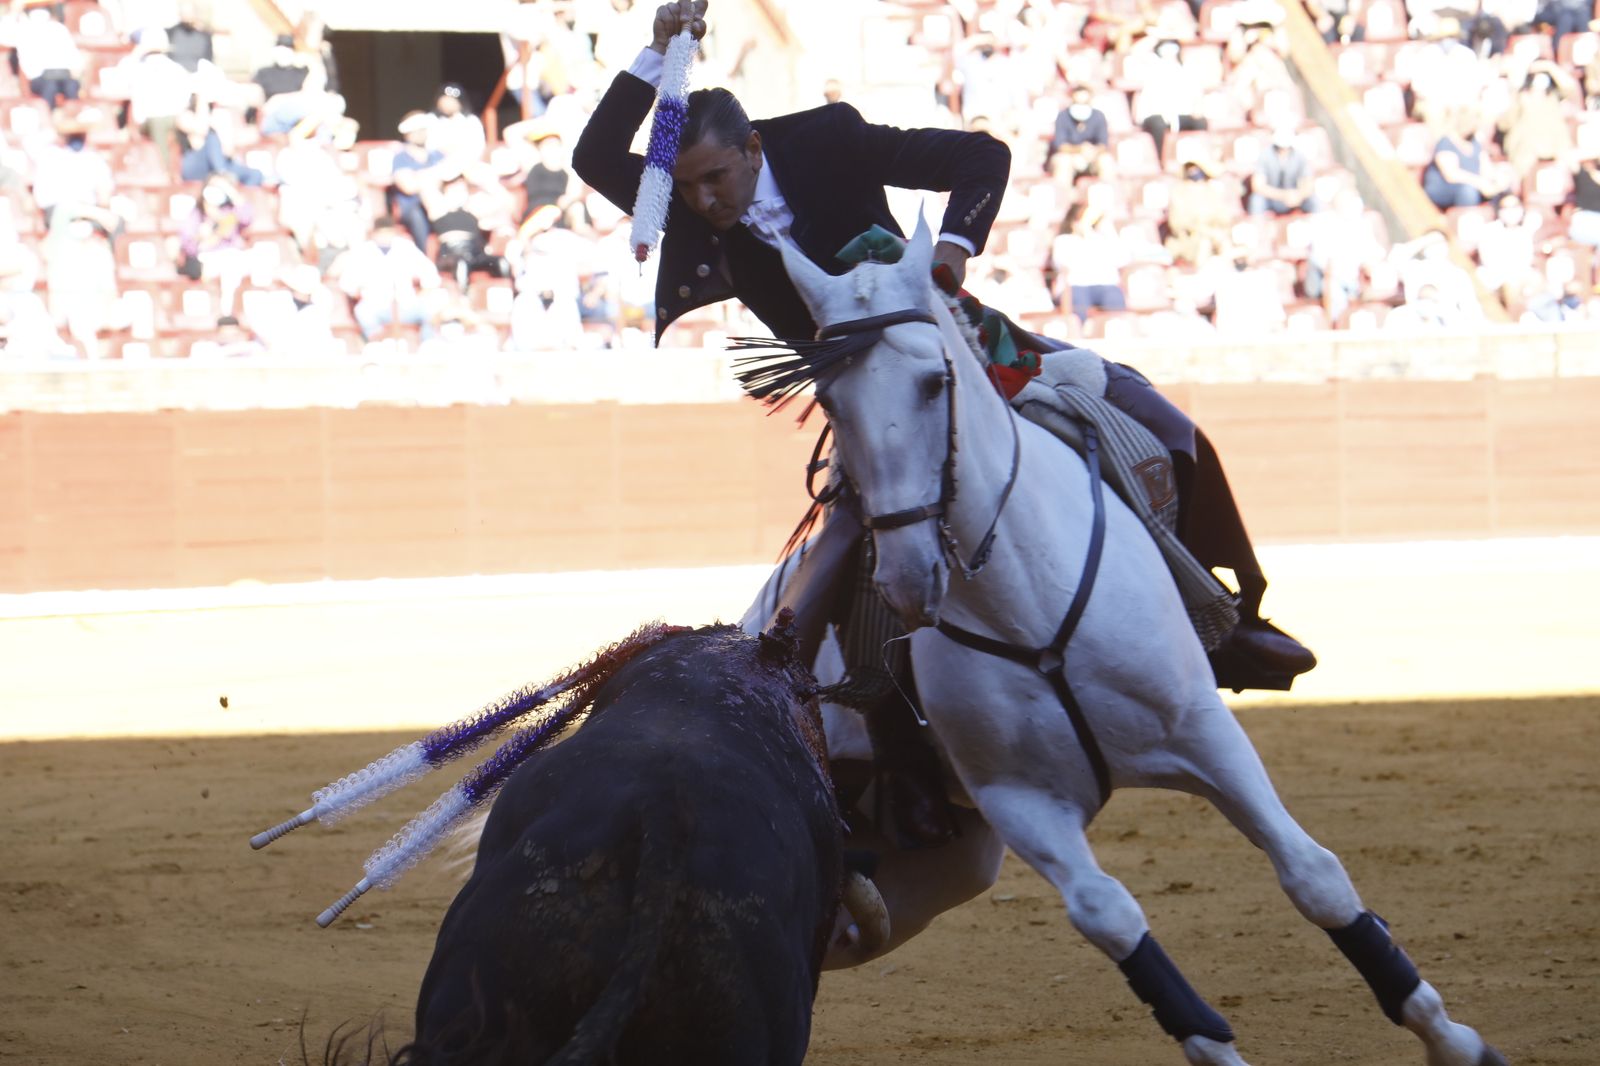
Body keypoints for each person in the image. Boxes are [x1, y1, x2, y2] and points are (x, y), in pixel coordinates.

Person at [574, 0, 1317, 846]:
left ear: (754, 151)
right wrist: (653, 50)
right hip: (868, 407)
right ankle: (901, 759)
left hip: (954, 345)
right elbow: (596, 155)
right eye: (690, 186)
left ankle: (1235, 620)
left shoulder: (827, 137)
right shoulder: (683, 192)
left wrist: (955, 247)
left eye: (719, 180)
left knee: (1161, 423)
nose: (703, 202)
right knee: (860, 563)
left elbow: (979, 157)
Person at [338, 216, 441, 341]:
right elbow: (347, 283)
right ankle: (378, 344)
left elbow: (430, 272)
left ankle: (427, 346)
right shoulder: (363, 251)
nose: (385, 237)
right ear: (374, 234)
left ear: (394, 232)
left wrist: (425, 290)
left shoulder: (406, 247)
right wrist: (357, 292)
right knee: (362, 311)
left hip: (406, 304)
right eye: (381, 234)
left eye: (388, 233)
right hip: (376, 305)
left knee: (432, 309)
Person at [178, 174, 253, 323]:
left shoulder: (230, 211)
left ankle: (232, 313)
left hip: (232, 256)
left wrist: (229, 190)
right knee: (228, 265)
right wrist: (202, 235)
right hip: (207, 259)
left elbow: (247, 216)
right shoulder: (196, 214)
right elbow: (188, 244)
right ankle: (225, 315)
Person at [1495, 62, 1578, 185]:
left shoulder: (1553, 97)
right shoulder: (1520, 97)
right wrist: (1515, 93)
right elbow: (1504, 124)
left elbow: (1570, 87)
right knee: (1522, 165)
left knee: (1571, 164)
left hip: (1555, 144)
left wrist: (1549, 66)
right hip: (1527, 147)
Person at [1050, 202, 1129, 319]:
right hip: (1076, 285)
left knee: (1115, 301)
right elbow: (1062, 262)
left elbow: (1123, 259)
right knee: (1077, 305)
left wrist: (1108, 229)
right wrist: (1085, 235)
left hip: (1106, 284)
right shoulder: (1063, 241)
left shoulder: (1103, 240)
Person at [1421, 109, 1505, 210]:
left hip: (1473, 185)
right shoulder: (1446, 142)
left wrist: (1496, 180)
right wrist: (1480, 182)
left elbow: (1486, 168)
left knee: (1500, 189)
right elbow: (1451, 175)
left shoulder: (1475, 143)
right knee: (1468, 191)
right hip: (1444, 188)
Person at [389, 111, 449, 250]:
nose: (420, 133)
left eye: (423, 129)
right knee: (418, 215)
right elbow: (408, 186)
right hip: (411, 207)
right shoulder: (400, 157)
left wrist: (419, 177)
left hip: (440, 203)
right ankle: (424, 257)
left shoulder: (437, 155)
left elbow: (446, 178)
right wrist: (432, 176)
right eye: (416, 130)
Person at [3, 4, 84, 107]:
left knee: (72, 86)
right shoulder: (23, 30)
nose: (40, 12)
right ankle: (46, 120)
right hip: (39, 78)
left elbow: (75, 58)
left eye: (43, 9)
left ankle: (74, 118)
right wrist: (15, 12)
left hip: (63, 75)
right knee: (50, 87)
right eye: (35, 9)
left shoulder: (59, 29)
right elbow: (4, 37)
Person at [1165, 148, 1234, 264]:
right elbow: (1177, 223)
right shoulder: (1179, 192)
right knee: (1204, 244)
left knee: (1226, 244)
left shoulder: (1212, 191)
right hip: (1188, 241)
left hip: (1215, 238)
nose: (1193, 171)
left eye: (1196, 167)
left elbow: (1224, 218)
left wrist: (1216, 233)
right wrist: (1206, 232)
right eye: (1190, 167)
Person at [1247, 125, 1318, 215]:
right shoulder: (1265, 156)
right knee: (1256, 200)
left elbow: (1309, 184)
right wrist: (1283, 195)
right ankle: (1257, 226)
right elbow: (1258, 186)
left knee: (1314, 200)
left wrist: (1298, 195)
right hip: (1271, 197)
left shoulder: (1300, 156)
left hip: (1294, 197)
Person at [1047, 85, 1110, 181]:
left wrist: (1093, 151)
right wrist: (1079, 150)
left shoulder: (1098, 116)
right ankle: (1063, 193)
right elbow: (1060, 146)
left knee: (1106, 161)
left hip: (1091, 156)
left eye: (1084, 102)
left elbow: (1103, 144)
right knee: (1063, 163)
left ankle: (1106, 190)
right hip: (1069, 156)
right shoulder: (1062, 116)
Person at [428, 83, 487, 167]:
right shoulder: (430, 120)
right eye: (445, 100)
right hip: (436, 165)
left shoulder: (471, 121)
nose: (448, 103)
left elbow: (478, 147)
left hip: (466, 165)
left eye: (452, 100)